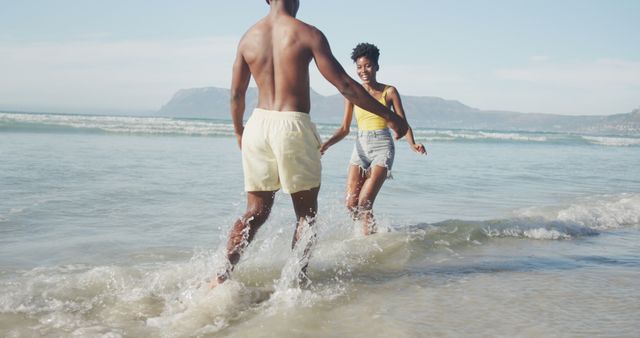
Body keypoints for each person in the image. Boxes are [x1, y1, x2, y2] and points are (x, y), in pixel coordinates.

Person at [210, 0, 409, 288]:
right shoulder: (308, 33)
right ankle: (295, 283)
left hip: (257, 126)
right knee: (306, 214)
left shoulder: (247, 37)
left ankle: (221, 276)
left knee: (256, 211)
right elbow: (344, 85)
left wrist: (239, 130)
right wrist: (390, 116)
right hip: (292, 125)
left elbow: (236, 95)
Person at [320, 42, 426, 235]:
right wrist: (326, 145)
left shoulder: (389, 92)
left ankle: (368, 242)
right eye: (359, 67)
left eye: (368, 66)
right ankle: (371, 233)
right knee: (351, 204)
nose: (363, 71)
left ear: (377, 66)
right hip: (359, 147)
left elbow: (402, 122)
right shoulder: (353, 93)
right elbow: (344, 128)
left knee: (364, 202)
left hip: (382, 147)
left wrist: (413, 143)